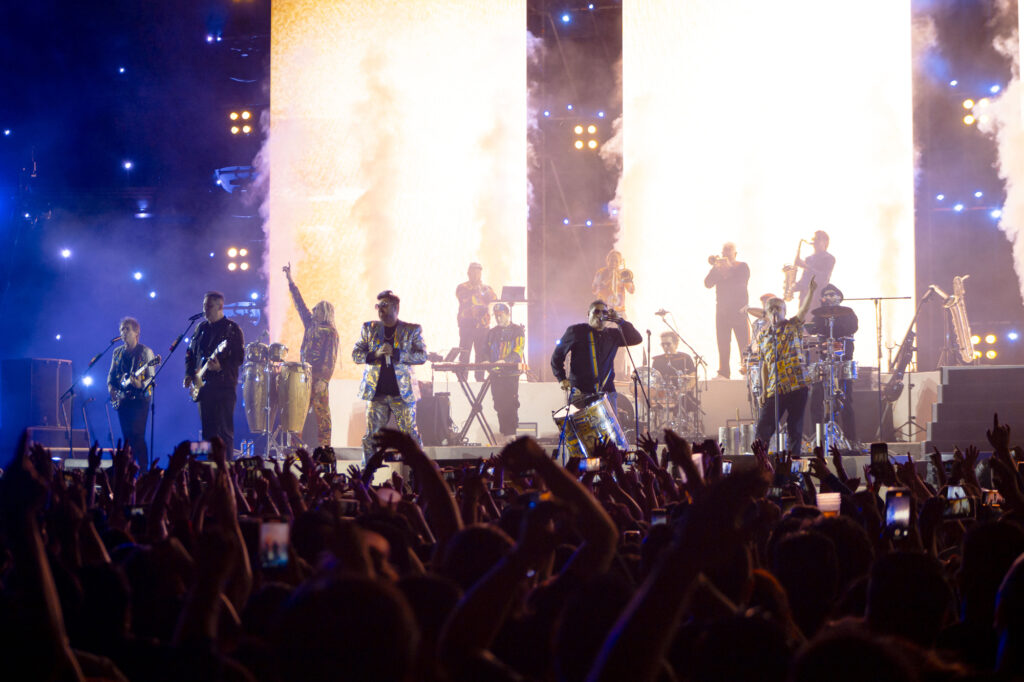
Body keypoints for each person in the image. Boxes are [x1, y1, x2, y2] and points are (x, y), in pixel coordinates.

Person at [353, 290, 427, 462]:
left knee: (410, 436)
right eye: (378, 306)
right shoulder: (369, 328)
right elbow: (356, 353)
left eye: (385, 305)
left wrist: (398, 354)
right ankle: (366, 480)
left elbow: (422, 356)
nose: (380, 309)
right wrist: (374, 354)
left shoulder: (411, 330)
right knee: (371, 437)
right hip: (376, 393)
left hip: (402, 394)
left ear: (396, 308)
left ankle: (419, 477)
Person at [754, 278, 817, 453]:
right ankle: (761, 465)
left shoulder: (792, 326)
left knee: (794, 428)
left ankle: (793, 468)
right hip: (776, 388)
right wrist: (764, 391)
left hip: (797, 384)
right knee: (764, 428)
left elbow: (803, 311)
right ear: (766, 314)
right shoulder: (763, 336)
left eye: (779, 309)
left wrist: (811, 292)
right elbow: (765, 365)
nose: (775, 312)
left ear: (784, 311)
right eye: (771, 309)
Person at [283, 263, 339, 447]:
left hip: (318, 378)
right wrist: (290, 280)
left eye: (317, 309)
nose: (313, 311)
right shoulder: (310, 325)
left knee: (322, 414)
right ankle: (295, 447)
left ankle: (325, 447)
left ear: (324, 312)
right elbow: (300, 304)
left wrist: (324, 379)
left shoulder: (330, 332)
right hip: (303, 377)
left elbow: (330, 357)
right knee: (299, 414)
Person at [551, 300, 642, 413]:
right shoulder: (576, 331)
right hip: (581, 394)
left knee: (610, 429)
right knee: (583, 429)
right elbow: (557, 357)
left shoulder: (613, 335)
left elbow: (637, 338)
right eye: (596, 312)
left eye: (604, 312)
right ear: (588, 314)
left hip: (607, 393)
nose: (600, 315)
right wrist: (561, 378)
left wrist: (619, 320)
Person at [184, 291, 245, 452]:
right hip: (204, 389)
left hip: (224, 388)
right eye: (204, 305)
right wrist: (189, 374)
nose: (205, 309)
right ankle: (210, 472)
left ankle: (226, 471)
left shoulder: (232, 329)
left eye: (209, 306)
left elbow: (239, 358)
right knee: (207, 434)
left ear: (220, 306)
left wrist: (221, 367)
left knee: (224, 433)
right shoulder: (200, 328)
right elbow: (190, 354)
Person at [806, 283, 858, 443]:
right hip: (824, 363)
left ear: (839, 297)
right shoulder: (819, 315)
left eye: (831, 294)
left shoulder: (848, 313)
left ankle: (850, 439)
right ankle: (819, 437)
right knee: (816, 399)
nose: (828, 297)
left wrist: (835, 318)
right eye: (825, 295)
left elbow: (852, 328)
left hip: (842, 362)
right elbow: (812, 329)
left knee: (846, 401)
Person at [107, 317, 156, 468]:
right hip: (123, 401)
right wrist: (112, 390)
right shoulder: (117, 352)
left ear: (137, 332)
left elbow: (151, 379)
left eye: (127, 328)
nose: (123, 332)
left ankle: (143, 470)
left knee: (138, 436)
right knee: (127, 437)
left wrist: (139, 384)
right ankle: (128, 470)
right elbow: (111, 375)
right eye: (122, 329)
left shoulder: (145, 352)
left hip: (140, 400)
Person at [704, 242, 750, 379]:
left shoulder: (742, 267)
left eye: (729, 251)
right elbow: (707, 283)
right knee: (723, 342)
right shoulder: (717, 268)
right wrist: (716, 269)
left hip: (739, 310)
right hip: (722, 311)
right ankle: (724, 371)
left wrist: (727, 267)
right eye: (724, 251)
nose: (726, 253)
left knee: (743, 343)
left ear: (735, 253)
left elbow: (741, 279)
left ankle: (746, 369)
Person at [485, 303, 525, 438]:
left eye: (500, 315)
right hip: (496, 374)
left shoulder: (517, 330)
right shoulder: (492, 332)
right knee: (498, 403)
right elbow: (485, 351)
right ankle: (505, 433)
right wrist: (485, 361)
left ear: (508, 314)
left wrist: (506, 361)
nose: (498, 318)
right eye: (496, 316)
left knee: (510, 403)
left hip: (511, 373)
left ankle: (511, 433)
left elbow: (518, 350)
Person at [455, 263, 496, 381]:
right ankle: (462, 379)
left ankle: (479, 378)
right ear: (468, 273)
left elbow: (493, 298)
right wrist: (479, 291)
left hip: (482, 326)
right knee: (465, 352)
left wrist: (483, 291)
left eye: (478, 272)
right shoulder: (462, 287)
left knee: (481, 353)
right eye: (473, 272)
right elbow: (465, 298)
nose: (476, 275)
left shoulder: (486, 288)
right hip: (466, 325)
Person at [795, 230, 835, 310]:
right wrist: (793, 287)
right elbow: (804, 280)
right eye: (814, 239)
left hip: (817, 300)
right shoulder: (809, 259)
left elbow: (823, 278)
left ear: (826, 242)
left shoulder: (828, 258)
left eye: (818, 239)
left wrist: (805, 266)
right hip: (804, 300)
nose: (815, 241)